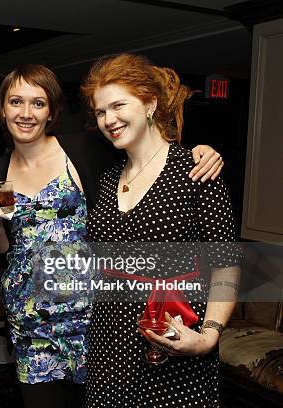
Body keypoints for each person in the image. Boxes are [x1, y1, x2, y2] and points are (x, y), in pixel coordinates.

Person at [0, 64, 224, 408]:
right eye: (16, 102)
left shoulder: (84, 150)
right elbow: (3, 251)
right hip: (29, 322)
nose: (26, 113)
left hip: (91, 321)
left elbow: (145, 150)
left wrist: (199, 150)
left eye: (38, 103)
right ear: (2, 108)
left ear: (51, 111)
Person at [80, 53, 241, 407]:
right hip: (110, 345)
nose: (109, 119)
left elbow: (226, 265)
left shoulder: (195, 171)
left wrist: (209, 336)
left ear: (150, 103)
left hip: (173, 343)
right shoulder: (107, 180)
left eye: (118, 105)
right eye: (100, 112)